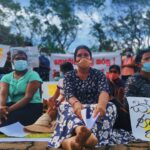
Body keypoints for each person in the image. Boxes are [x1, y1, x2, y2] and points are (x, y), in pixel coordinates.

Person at [48, 45, 117, 149]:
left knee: (111, 106)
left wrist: (102, 105)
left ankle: (78, 140)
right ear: (75, 60)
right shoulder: (69, 76)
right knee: (63, 107)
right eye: (79, 55)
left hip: (95, 110)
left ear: (90, 59)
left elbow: (104, 91)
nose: (83, 58)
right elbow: (68, 94)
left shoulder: (99, 74)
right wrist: (76, 103)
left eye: (86, 55)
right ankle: (81, 131)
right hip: (76, 109)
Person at [24, 62, 74, 133]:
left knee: (54, 108)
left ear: (61, 72)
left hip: (70, 105)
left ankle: (43, 124)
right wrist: (51, 102)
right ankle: (43, 124)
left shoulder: (73, 80)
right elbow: (54, 97)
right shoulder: (61, 81)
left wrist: (55, 102)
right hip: (62, 105)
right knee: (52, 107)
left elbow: (65, 97)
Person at [0, 50, 43, 127]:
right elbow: (3, 94)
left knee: (10, 120)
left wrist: (7, 111)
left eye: (23, 59)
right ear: (12, 61)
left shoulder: (33, 75)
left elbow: (28, 97)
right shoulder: (6, 77)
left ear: (26, 61)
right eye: (17, 58)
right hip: (12, 105)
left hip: (32, 106)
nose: (21, 60)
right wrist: (2, 108)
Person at [122, 49, 150, 131]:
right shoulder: (133, 80)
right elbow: (127, 104)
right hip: (141, 122)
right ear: (139, 65)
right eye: (146, 59)